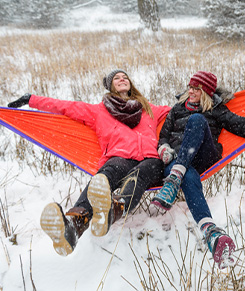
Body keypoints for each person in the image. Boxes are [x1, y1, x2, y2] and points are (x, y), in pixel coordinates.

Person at [8, 69, 170, 256]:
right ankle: (72, 228)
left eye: (125, 77)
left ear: (130, 83)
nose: (122, 79)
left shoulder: (148, 108)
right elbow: (65, 106)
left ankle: (113, 210)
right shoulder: (99, 111)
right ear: (111, 86)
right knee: (104, 177)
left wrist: (208, 97)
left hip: (150, 160)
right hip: (119, 158)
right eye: (117, 78)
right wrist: (32, 100)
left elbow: (182, 110)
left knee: (139, 174)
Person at [150, 71, 245, 269]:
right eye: (190, 87)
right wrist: (164, 148)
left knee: (196, 120)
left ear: (206, 93)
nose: (190, 91)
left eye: (196, 89)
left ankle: (175, 179)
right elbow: (164, 137)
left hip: (203, 156)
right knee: (188, 174)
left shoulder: (217, 110)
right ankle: (212, 234)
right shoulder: (176, 109)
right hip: (177, 162)